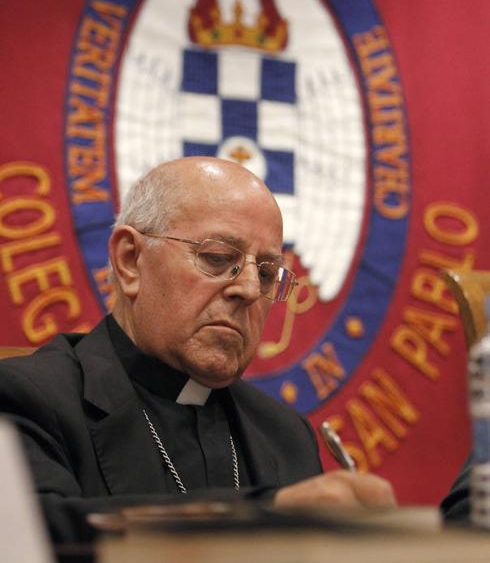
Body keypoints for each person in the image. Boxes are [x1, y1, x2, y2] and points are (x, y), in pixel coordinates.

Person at [0, 157, 396, 543]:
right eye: (218, 258)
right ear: (130, 261)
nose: (248, 289)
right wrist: (261, 516)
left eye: (265, 273)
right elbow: (38, 533)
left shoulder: (285, 434)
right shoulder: (27, 397)